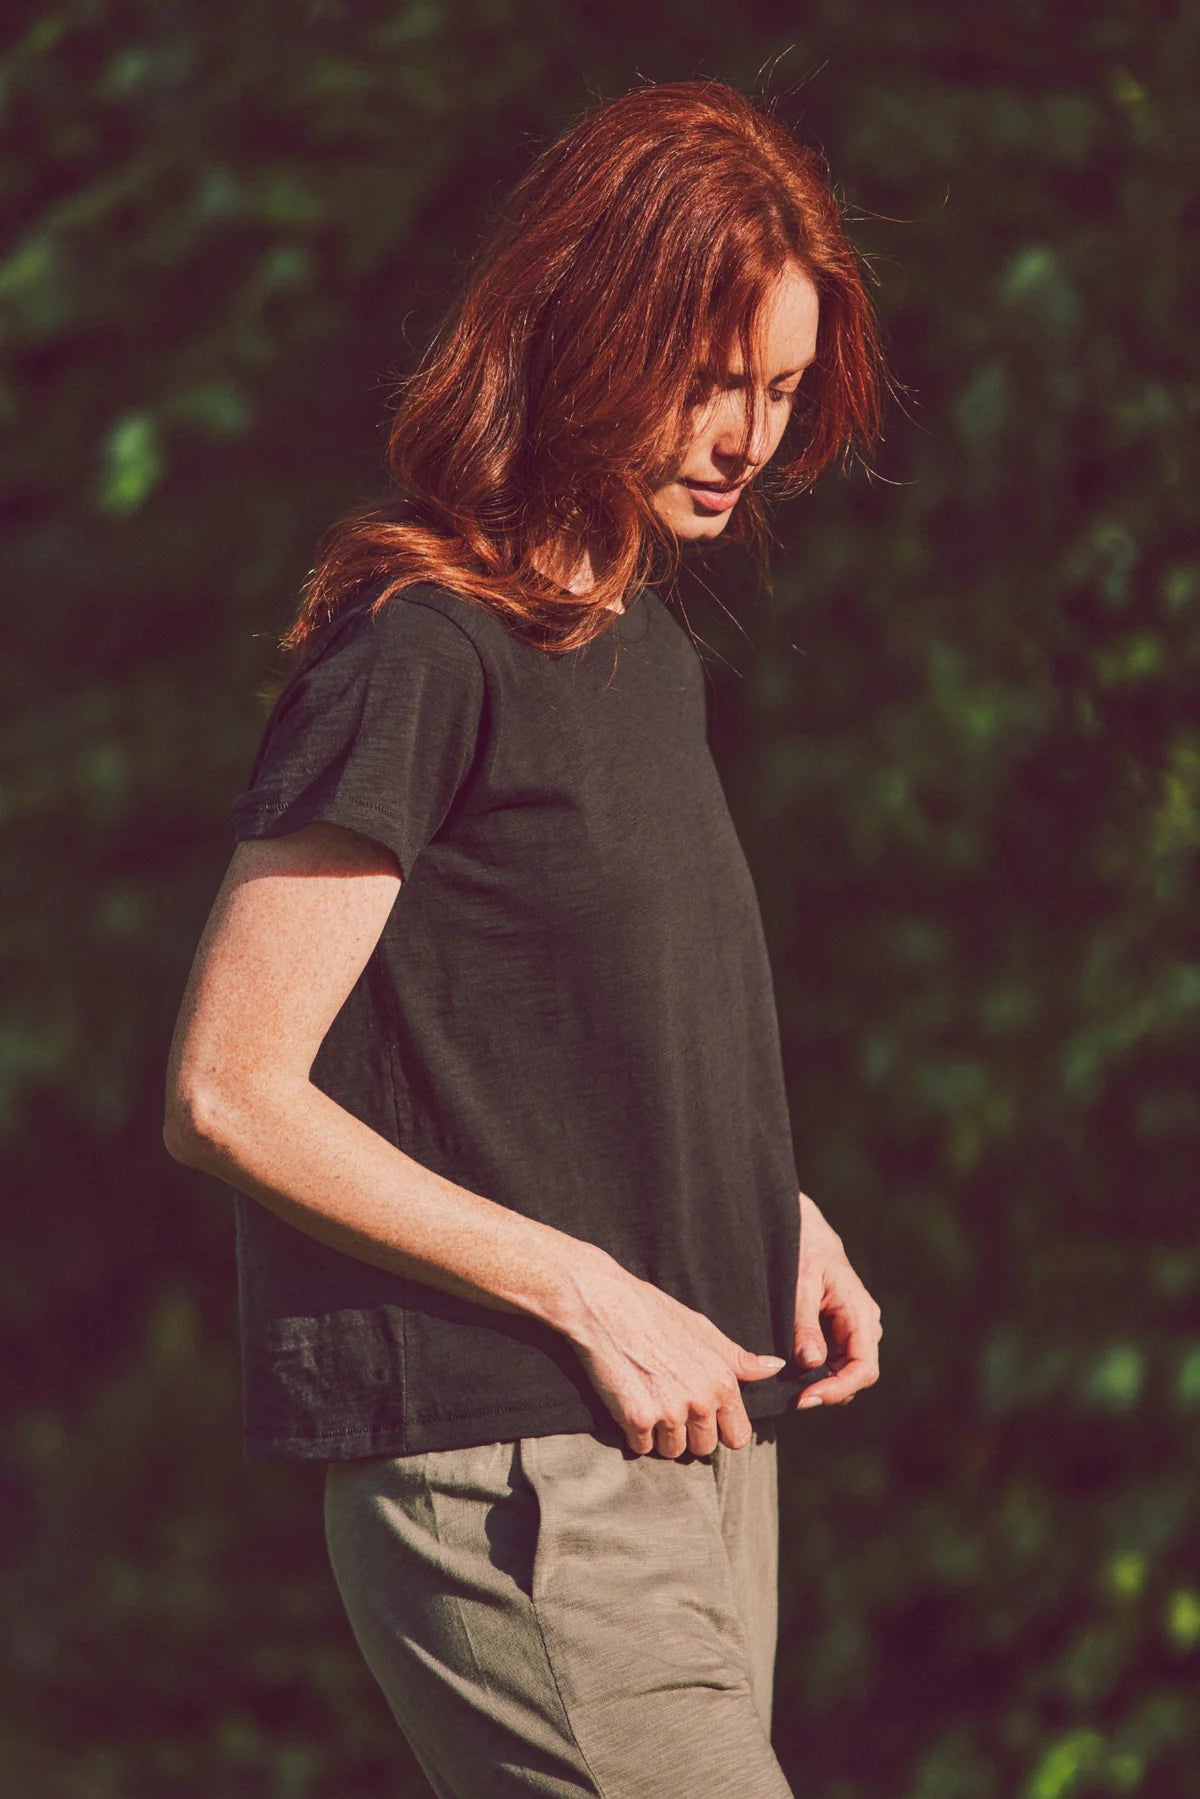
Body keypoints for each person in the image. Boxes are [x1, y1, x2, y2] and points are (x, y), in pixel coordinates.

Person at [164, 76, 886, 1799]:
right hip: (517, 1462)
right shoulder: (426, 650)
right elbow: (231, 1091)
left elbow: (559, 1025)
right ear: (590, 337)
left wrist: (756, 1194)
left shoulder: (648, 659)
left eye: (780, 390)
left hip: (704, 1451)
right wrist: (589, 1286)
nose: (747, 437)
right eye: (711, 381)